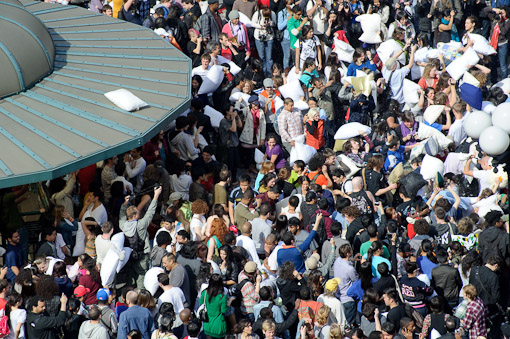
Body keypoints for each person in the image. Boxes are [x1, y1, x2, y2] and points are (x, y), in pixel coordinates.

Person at [120, 186, 162, 289]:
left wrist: (125, 204)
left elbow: (121, 213)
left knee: (130, 277)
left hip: (129, 256)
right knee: (141, 277)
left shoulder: (123, 225)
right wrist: (156, 195)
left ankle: (129, 296)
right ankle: (139, 297)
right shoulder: (141, 225)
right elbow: (150, 212)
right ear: (134, 216)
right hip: (142, 256)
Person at [199, 274, 229, 338]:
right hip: (218, 326)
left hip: (207, 325)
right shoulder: (222, 297)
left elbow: (201, 302)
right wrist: (229, 303)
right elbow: (224, 310)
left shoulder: (205, 293)